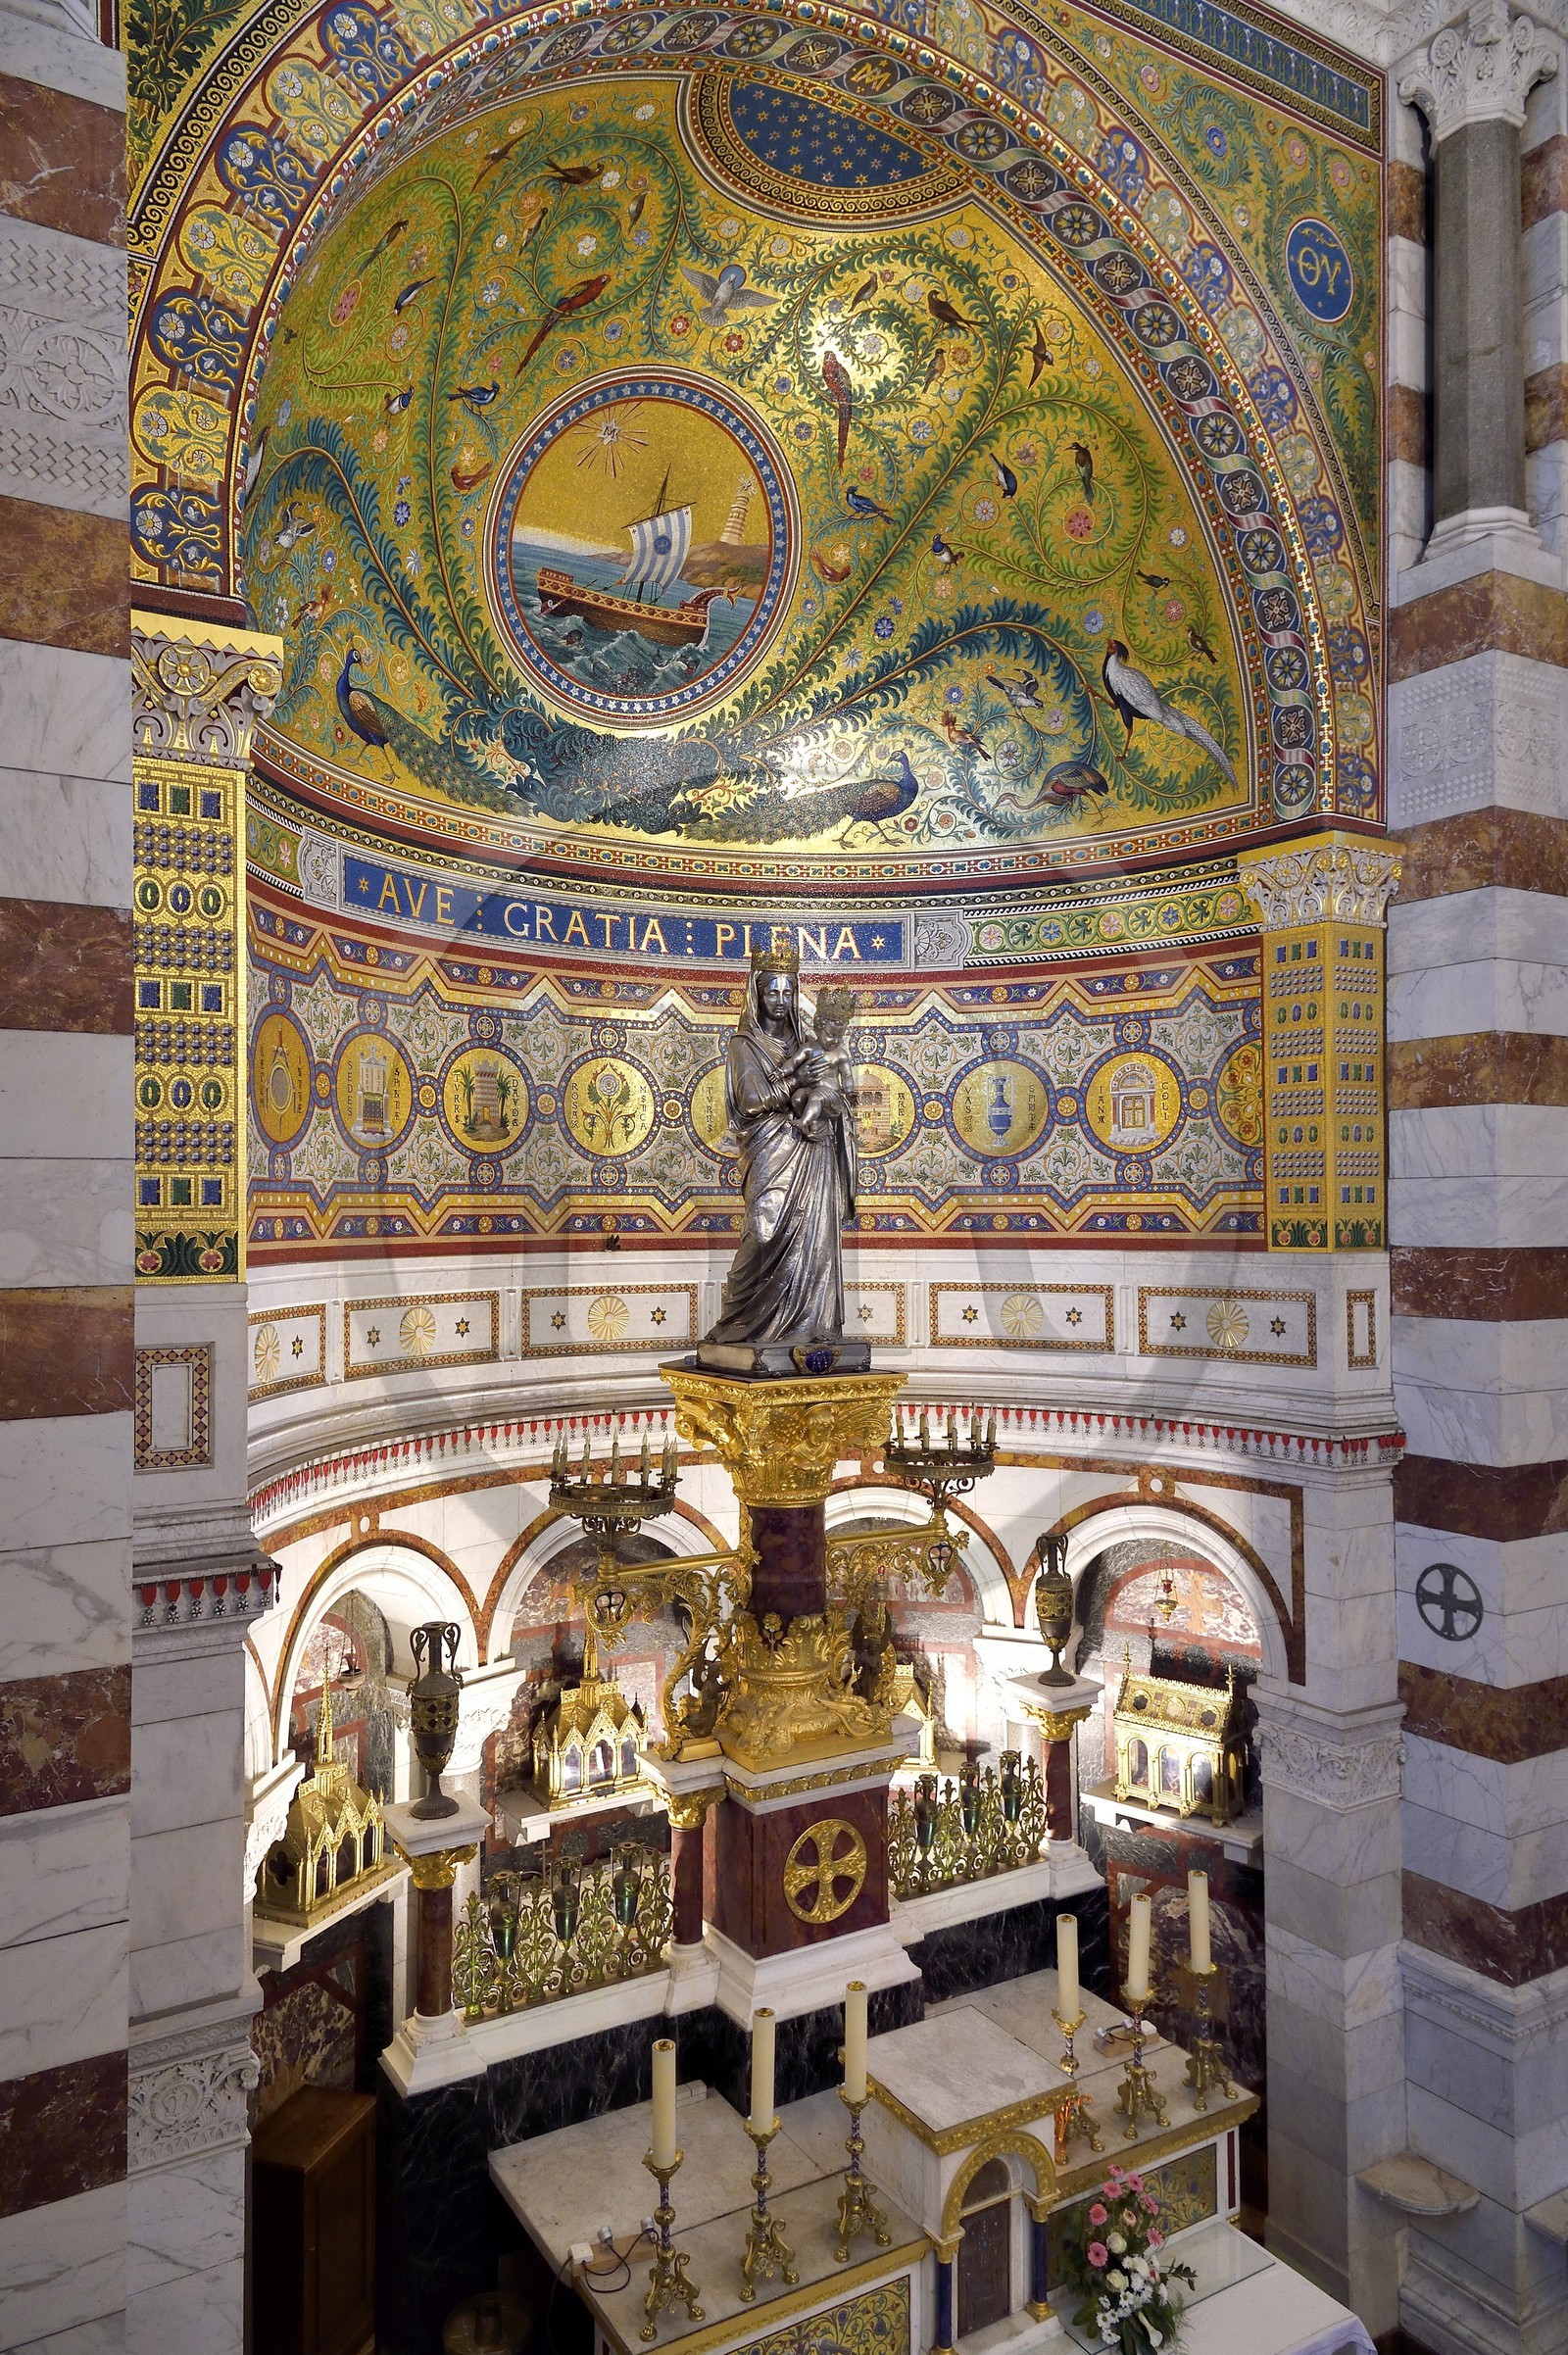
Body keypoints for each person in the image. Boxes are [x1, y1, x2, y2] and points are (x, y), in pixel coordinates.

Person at [702, 937, 857, 1353]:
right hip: (769, 1149)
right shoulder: (743, 1046)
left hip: (813, 1152)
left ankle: (810, 1325)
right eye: (772, 990)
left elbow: (841, 1094)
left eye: (789, 991)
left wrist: (832, 1098)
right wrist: (798, 1083)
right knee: (763, 1231)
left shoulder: (808, 1042)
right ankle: (741, 1321)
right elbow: (752, 1101)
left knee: (815, 1236)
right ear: (756, 993)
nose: (781, 1000)